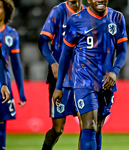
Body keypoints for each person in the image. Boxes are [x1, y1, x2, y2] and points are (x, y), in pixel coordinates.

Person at [53, 0, 128, 149]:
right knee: (90, 125)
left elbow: (122, 51)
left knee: (98, 126)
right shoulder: (75, 20)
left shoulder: (117, 18)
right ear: (89, 0)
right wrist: (59, 86)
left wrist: (114, 72)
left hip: (107, 82)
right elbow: (65, 56)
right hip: (83, 81)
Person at [38, 1, 86, 150]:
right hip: (61, 79)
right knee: (58, 129)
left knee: (86, 127)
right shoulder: (58, 12)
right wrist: (53, 63)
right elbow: (42, 41)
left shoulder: (89, 14)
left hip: (83, 78)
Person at [0, 0, 26, 149]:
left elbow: (15, 65)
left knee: (2, 122)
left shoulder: (11, 34)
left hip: (4, 83)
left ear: (6, 11)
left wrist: (21, 92)